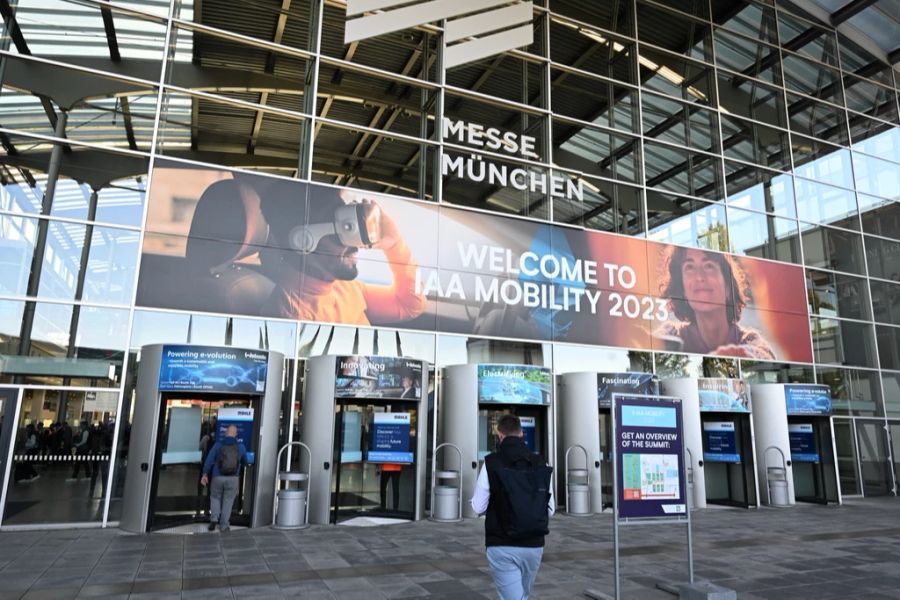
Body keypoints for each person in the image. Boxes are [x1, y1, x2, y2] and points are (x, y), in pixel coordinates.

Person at [261, 186, 426, 326]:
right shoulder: (292, 315)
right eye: (342, 234)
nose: (354, 245)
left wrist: (395, 244)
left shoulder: (343, 287)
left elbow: (411, 305)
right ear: (303, 241)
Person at [471, 414, 555, 600]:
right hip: (534, 545)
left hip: (501, 544)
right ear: (521, 434)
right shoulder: (540, 462)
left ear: (500, 435)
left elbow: (478, 506)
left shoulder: (491, 463)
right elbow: (551, 509)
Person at [656, 246, 775, 359]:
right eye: (690, 267)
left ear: (728, 287)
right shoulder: (671, 335)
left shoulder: (751, 341)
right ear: (683, 291)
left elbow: (764, 358)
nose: (699, 277)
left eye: (709, 266)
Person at [200, 425, 248, 532]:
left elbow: (209, 460)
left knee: (215, 497)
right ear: (236, 435)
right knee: (228, 500)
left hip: (217, 477)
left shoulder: (218, 445)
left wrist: (205, 473)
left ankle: (213, 520)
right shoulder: (241, 447)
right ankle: (224, 525)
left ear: (226, 433)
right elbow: (245, 461)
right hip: (233, 478)